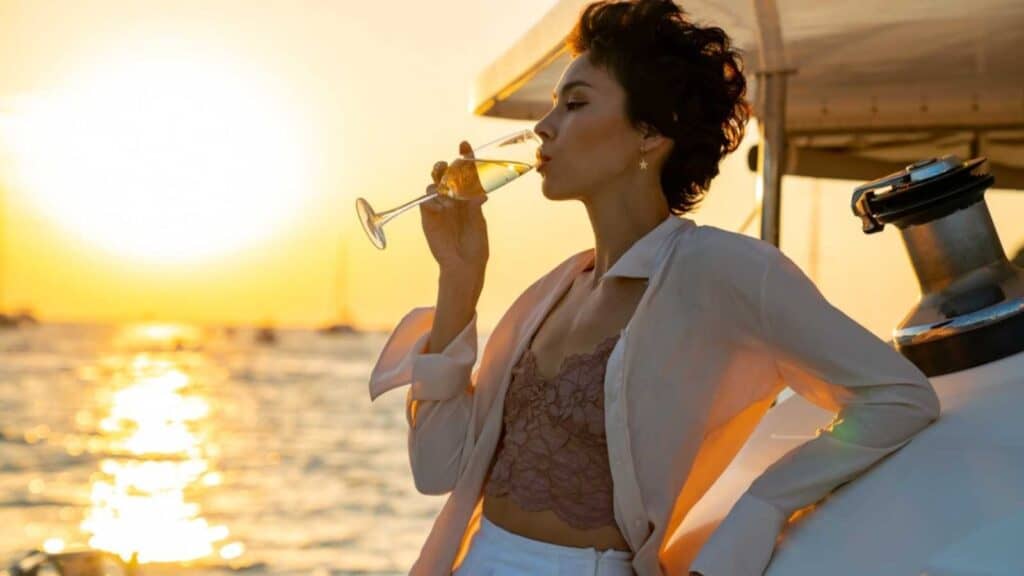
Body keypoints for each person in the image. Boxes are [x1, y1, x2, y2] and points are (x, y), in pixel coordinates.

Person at [367, 0, 941, 574]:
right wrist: (459, 279)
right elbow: (436, 470)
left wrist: (764, 505)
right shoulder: (551, 292)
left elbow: (898, 397)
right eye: (551, 107)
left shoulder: (721, 270)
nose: (544, 127)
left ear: (650, 134)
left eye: (575, 104)